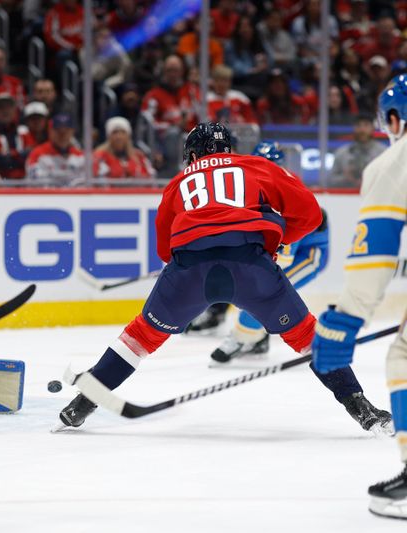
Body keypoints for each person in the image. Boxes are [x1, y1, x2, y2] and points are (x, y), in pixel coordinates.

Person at [58, 123, 323, 430]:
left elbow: (164, 249)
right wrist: (272, 240)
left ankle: (82, 403)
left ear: (194, 154)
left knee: (141, 336)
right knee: (306, 336)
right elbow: (311, 215)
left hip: (189, 272)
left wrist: (190, 265)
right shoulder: (257, 166)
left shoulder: (177, 182)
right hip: (251, 266)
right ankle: (360, 405)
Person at [208, 142, 392, 433]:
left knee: (265, 292)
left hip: (310, 254)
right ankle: (254, 338)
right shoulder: (257, 187)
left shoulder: (278, 190)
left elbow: (284, 251)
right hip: (292, 248)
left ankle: (246, 338)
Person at [311, 75, 407, 520]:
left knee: (403, 356)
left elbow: (375, 259)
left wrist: (346, 320)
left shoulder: (393, 164)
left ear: (392, 118)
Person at [25, 113, 85, 184]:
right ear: (50, 131)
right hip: (48, 194)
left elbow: (85, 182)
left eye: (66, 130)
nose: (62, 134)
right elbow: (35, 180)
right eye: (58, 130)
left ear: (72, 131)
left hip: (73, 194)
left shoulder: (81, 156)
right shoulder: (37, 154)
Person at [329, 115, 386, 189]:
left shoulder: (383, 152)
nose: (362, 129)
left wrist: (372, 178)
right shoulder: (342, 153)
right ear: (354, 128)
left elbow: (390, 179)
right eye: (358, 125)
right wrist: (345, 178)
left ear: (373, 128)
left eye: (366, 125)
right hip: (346, 197)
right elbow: (330, 181)